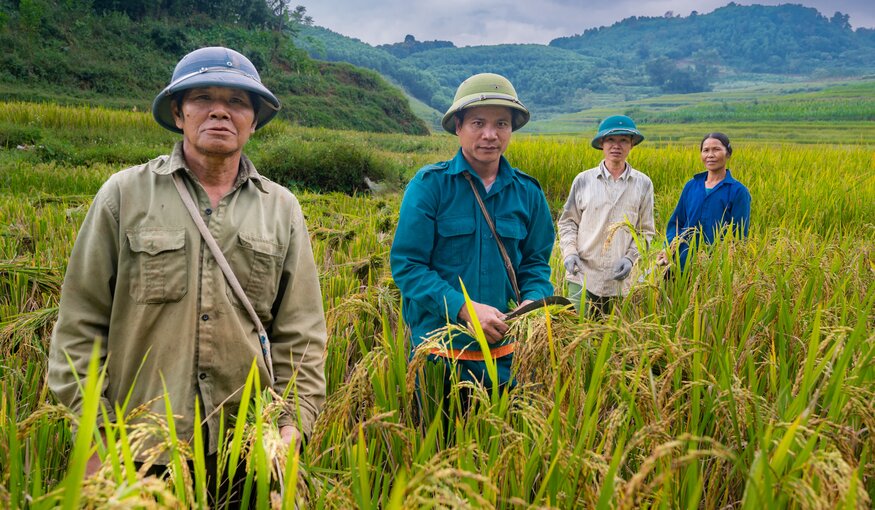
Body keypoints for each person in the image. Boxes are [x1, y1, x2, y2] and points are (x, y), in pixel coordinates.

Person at [47, 47, 327, 488]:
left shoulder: (282, 209)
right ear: (179, 113)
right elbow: (80, 326)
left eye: (237, 102)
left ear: (253, 120)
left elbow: (302, 333)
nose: (220, 112)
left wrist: (293, 425)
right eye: (202, 99)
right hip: (139, 446)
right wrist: (93, 434)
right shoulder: (123, 196)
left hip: (247, 447)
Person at [390, 73, 555, 396]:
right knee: (436, 442)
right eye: (478, 123)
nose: (490, 135)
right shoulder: (429, 187)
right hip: (439, 357)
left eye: (501, 124)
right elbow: (408, 266)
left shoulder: (529, 193)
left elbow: (536, 264)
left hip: (507, 360)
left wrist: (534, 300)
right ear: (458, 127)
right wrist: (463, 308)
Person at [557, 115, 655, 317]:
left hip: (620, 281)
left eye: (623, 140)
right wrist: (570, 252)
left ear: (631, 145)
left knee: (612, 341)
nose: (616, 146)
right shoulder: (583, 180)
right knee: (578, 337)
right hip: (583, 275)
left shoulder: (643, 184)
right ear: (601, 143)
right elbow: (568, 222)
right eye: (610, 140)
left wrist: (630, 258)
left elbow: (645, 231)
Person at [657, 132, 751, 270]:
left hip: (715, 268)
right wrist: (668, 247)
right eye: (705, 150)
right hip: (681, 262)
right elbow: (677, 222)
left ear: (728, 153)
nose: (710, 155)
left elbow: (739, 236)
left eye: (716, 149)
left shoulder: (738, 192)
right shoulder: (692, 186)